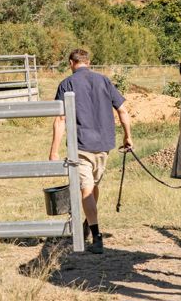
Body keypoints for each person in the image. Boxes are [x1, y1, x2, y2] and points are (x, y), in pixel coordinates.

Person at [49, 49, 132, 254]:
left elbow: (60, 119)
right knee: (92, 186)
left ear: (71, 63)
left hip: (81, 145)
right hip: (103, 145)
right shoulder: (104, 80)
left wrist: (54, 151)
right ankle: (89, 222)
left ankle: (96, 236)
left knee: (87, 189)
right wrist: (128, 136)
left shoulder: (67, 84)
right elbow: (123, 110)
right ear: (89, 62)